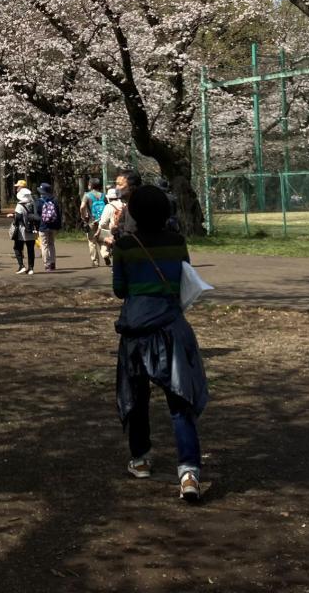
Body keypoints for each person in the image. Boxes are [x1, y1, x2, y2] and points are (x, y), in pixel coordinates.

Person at [112, 185, 209, 502]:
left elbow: (120, 289)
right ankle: (190, 472)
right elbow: (184, 278)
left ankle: (140, 459)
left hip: (136, 331)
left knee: (138, 398)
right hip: (170, 327)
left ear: (134, 212)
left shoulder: (126, 246)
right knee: (179, 401)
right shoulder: (177, 242)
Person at [7, 182, 39, 275]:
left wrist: (12, 217)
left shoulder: (20, 205)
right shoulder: (33, 203)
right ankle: (31, 268)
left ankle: (21, 266)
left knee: (17, 248)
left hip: (22, 230)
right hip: (32, 229)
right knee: (30, 249)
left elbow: (18, 218)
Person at [79, 179, 107, 267]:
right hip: (102, 221)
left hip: (91, 221)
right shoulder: (103, 195)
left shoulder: (87, 195)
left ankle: (95, 261)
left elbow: (82, 207)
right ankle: (105, 254)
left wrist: (83, 216)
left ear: (90, 185)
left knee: (92, 242)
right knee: (102, 239)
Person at [36, 181, 63, 272]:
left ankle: (47, 264)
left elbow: (37, 215)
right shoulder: (54, 200)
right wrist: (58, 226)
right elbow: (58, 214)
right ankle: (53, 263)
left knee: (44, 245)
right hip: (53, 225)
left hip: (43, 226)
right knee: (51, 244)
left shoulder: (39, 202)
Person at [112, 169, 143, 238]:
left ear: (132, 187)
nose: (116, 188)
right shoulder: (128, 205)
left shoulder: (134, 207)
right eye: (116, 184)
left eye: (120, 185)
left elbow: (129, 235)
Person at [97, 187, 122, 266]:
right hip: (124, 229)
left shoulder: (108, 206)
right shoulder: (124, 204)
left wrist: (100, 229)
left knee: (102, 239)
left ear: (108, 198)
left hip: (113, 230)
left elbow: (103, 222)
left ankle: (105, 254)